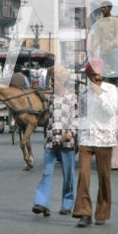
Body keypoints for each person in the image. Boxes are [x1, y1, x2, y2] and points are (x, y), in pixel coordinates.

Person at [73, 58, 118, 227]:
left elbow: (111, 111)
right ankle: (84, 213)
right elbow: (81, 117)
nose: (97, 79)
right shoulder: (83, 93)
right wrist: (78, 138)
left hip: (104, 139)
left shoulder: (110, 90)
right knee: (84, 175)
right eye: (93, 76)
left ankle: (102, 212)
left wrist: (99, 94)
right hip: (86, 139)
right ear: (88, 76)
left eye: (99, 75)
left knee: (104, 177)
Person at [33, 65, 77, 217]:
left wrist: (70, 133)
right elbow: (48, 119)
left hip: (67, 143)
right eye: (51, 79)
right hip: (50, 141)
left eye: (54, 80)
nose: (51, 82)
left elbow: (76, 119)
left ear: (62, 81)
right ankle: (42, 203)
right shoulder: (49, 99)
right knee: (46, 174)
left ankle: (67, 204)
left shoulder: (72, 98)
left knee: (68, 176)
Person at [91, 1, 118, 76]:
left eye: (105, 7)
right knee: (103, 72)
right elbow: (97, 37)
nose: (103, 9)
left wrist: (110, 45)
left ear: (110, 8)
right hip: (103, 52)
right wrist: (93, 47)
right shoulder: (99, 23)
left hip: (114, 50)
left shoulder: (116, 21)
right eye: (102, 7)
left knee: (117, 72)